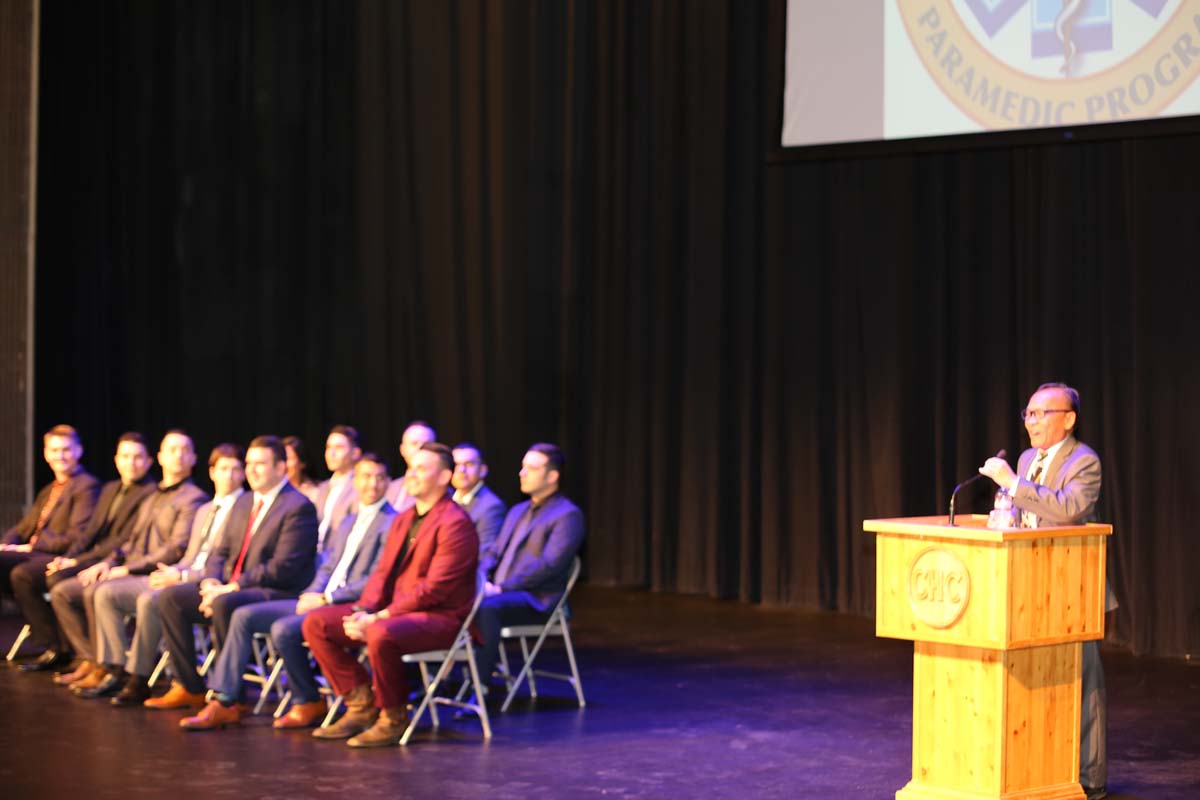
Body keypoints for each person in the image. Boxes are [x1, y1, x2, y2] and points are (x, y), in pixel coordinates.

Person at [179, 453, 395, 731]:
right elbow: (327, 567)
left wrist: (326, 598)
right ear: (356, 480)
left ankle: (307, 699)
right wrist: (313, 594)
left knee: (283, 630)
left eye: (379, 478)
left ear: (389, 482)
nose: (372, 484)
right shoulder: (349, 521)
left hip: (349, 605)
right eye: (365, 476)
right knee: (243, 616)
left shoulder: (392, 522)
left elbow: (377, 577)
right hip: (316, 599)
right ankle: (226, 699)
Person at [979, 382, 1112, 800]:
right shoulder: (1024, 459)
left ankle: (1090, 779)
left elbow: (1070, 511)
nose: (1032, 423)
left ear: (1068, 419)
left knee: (1082, 681)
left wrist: (1013, 486)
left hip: (1072, 586)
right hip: (1029, 585)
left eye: (1042, 414)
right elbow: (1025, 513)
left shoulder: (1083, 460)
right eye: (1028, 414)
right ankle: (1039, 770)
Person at [303, 442, 478, 747]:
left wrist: (380, 616)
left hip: (441, 619)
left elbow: (435, 589)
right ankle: (360, 704)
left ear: (444, 477)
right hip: (397, 613)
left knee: (381, 633)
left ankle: (393, 717)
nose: (411, 475)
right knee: (317, 623)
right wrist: (364, 610)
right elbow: (382, 575)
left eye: (422, 469)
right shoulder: (404, 518)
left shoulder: (455, 523)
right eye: (411, 468)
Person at [146, 435, 318, 711]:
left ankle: (229, 698)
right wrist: (212, 582)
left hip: (277, 590)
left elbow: (284, 567)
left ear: (280, 468)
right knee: (172, 598)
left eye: (260, 464)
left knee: (226, 603)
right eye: (249, 463)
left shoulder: (298, 506)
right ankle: (189, 686)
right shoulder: (244, 501)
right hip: (232, 587)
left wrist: (232, 587)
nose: (251, 470)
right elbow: (220, 552)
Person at [50, 430, 207, 695]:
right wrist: (109, 563)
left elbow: (174, 549)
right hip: (133, 570)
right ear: (160, 457)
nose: (178, 456)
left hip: (157, 573)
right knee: (74, 589)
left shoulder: (193, 498)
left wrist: (127, 569)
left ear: (194, 458)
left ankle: (121, 670)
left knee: (102, 592)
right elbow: (130, 541)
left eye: (184, 451)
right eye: (172, 450)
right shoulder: (153, 496)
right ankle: (106, 664)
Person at [89, 443, 245, 706]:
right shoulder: (206, 509)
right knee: (106, 592)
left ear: (243, 474)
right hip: (182, 574)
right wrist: (175, 571)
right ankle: (115, 668)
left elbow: (226, 564)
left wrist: (182, 577)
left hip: (210, 584)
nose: (228, 475)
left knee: (153, 600)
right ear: (211, 472)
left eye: (235, 469)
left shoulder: (244, 509)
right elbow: (191, 555)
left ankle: (139, 678)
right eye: (223, 469)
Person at [11, 432, 156, 672]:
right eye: (126, 456)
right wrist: (68, 558)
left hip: (111, 560)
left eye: (138, 457)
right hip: (92, 556)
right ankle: (81, 655)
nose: (131, 462)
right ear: (116, 460)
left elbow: (125, 540)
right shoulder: (110, 488)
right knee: (50, 575)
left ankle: (83, 656)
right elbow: (89, 533)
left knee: (55, 580)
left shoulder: (150, 493)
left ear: (150, 461)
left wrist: (78, 561)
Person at [472, 443, 585, 695]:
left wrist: (501, 587)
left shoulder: (567, 515)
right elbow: (494, 553)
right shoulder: (517, 511)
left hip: (537, 599)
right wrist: (481, 578)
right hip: (503, 592)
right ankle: (442, 678)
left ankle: (480, 687)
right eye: (523, 467)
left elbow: (550, 565)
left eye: (531, 468)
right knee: (459, 601)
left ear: (552, 476)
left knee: (487, 608)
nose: (522, 473)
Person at [0, 425, 99, 602]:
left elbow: (76, 536)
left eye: (66, 450)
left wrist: (31, 547)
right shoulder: (48, 490)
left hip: (58, 556)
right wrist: (6, 544)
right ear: (46, 454)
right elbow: (23, 528)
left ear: (79, 451)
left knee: (18, 573)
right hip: (34, 553)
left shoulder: (87, 486)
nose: (60, 456)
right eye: (54, 450)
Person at [451, 442, 507, 556]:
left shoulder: (491, 507)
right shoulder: (446, 498)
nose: (461, 469)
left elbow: (484, 555)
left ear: (483, 470)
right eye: (455, 464)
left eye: (469, 464)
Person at [313, 425, 362, 551]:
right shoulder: (323, 488)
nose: (331, 453)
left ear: (355, 453)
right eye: (329, 447)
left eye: (339, 448)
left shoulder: (359, 487)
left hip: (336, 557)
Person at [384, 420, 436, 512]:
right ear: (402, 450)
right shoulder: (389, 488)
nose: (420, 448)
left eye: (426, 444)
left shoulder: (439, 490)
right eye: (414, 443)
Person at [283, 436, 320, 505]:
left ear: (302, 463)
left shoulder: (315, 493)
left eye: (288, 458)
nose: (284, 465)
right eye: (281, 459)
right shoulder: (272, 492)